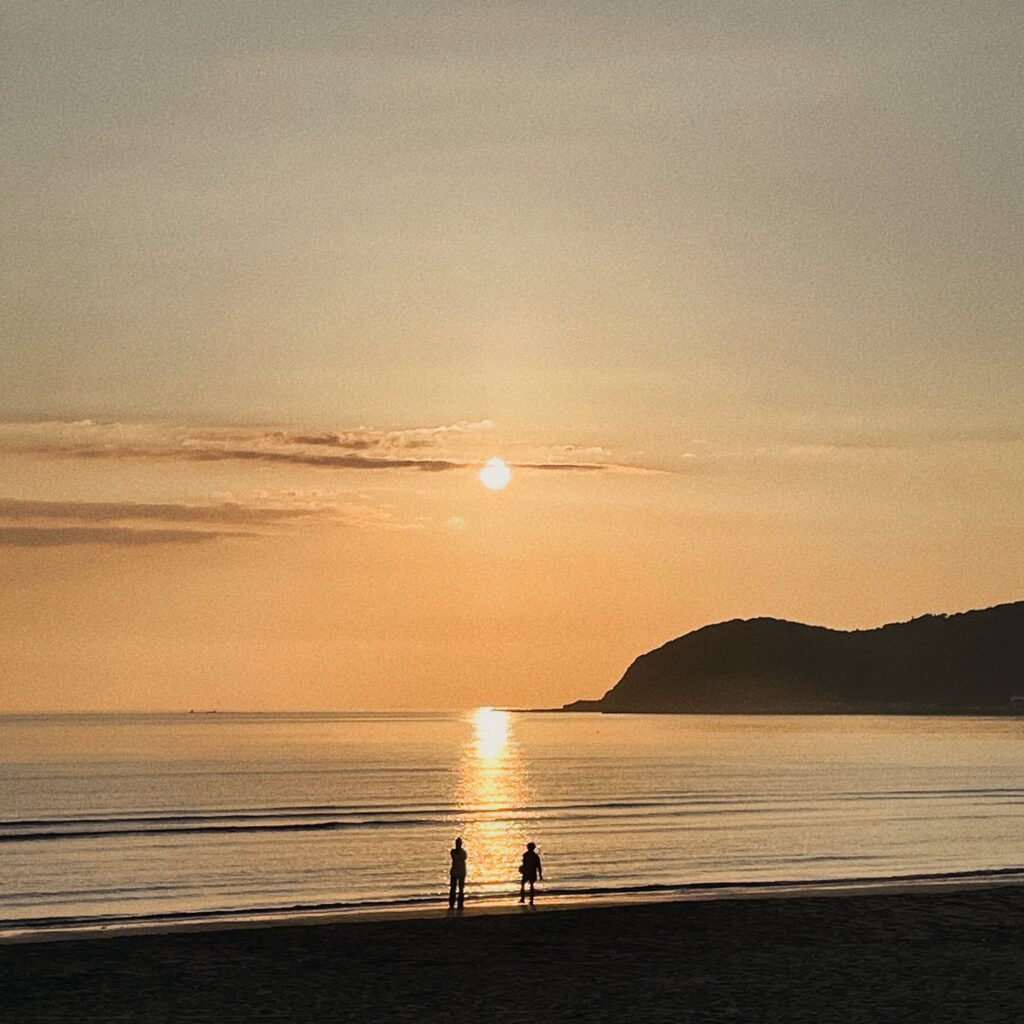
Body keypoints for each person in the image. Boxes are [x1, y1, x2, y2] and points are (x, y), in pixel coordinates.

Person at [449, 837, 467, 908]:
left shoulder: (460, 852)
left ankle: (459, 904)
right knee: (454, 888)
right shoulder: (454, 852)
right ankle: (453, 904)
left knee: (459, 889)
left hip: (460, 872)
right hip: (457, 871)